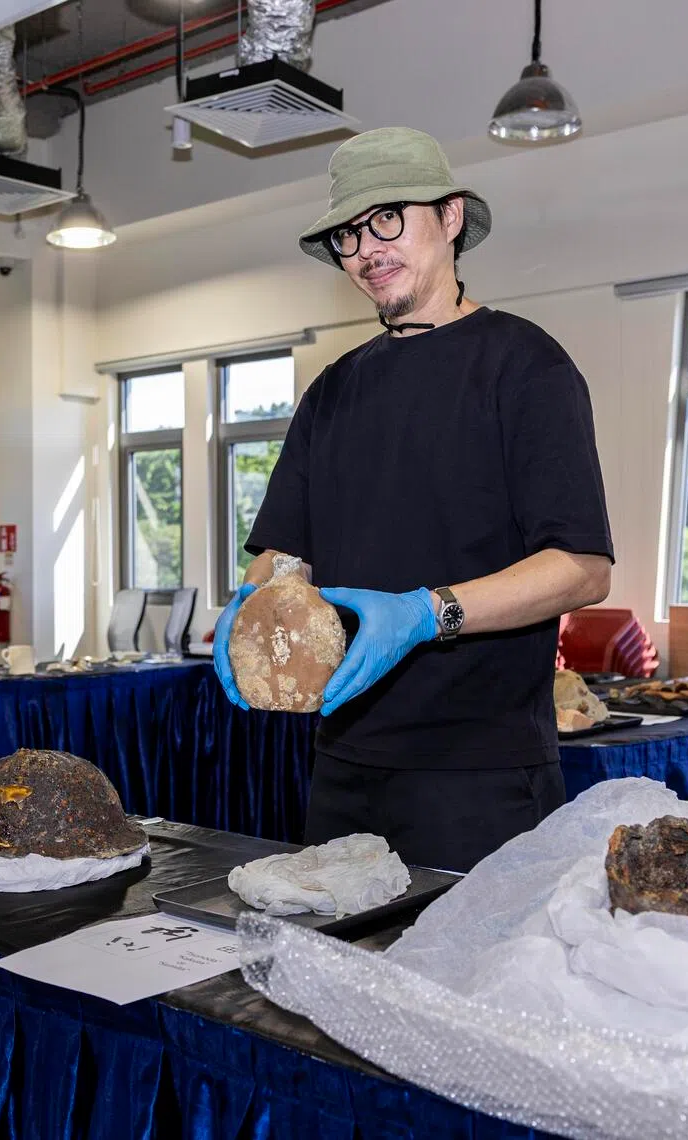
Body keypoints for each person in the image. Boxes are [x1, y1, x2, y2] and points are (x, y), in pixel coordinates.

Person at [213, 127, 614, 873]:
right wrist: (250, 605)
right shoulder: (332, 390)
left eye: (388, 217)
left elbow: (583, 567)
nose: (367, 248)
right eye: (349, 233)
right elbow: (282, 552)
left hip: (481, 774)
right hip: (341, 761)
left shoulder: (525, 366)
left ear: (452, 217)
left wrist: (428, 613)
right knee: (330, 981)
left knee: (468, 989)